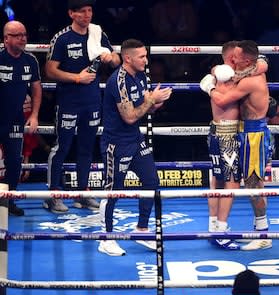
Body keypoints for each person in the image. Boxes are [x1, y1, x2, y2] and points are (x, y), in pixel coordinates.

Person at [44, 0, 121, 213]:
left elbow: (116, 59)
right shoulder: (62, 38)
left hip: (92, 101)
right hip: (68, 101)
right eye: (82, 11)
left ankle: (82, 194)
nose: (87, 15)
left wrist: (110, 57)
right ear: (71, 14)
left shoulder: (97, 34)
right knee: (62, 147)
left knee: (87, 148)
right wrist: (76, 78)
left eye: (90, 11)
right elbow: (50, 71)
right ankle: (53, 195)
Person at [98, 39, 172, 256]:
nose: (146, 60)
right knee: (113, 191)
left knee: (151, 182)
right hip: (116, 143)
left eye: (145, 55)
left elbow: (144, 109)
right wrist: (151, 101)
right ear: (127, 58)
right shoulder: (117, 81)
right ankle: (106, 239)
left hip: (135, 139)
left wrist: (157, 102)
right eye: (141, 57)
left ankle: (141, 229)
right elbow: (130, 116)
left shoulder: (140, 76)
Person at [202, 40, 272, 251]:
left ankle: (263, 233)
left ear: (247, 61)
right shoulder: (245, 72)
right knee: (238, 182)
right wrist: (216, 70)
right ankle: (222, 229)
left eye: (238, 59)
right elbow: (234, 70)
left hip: (254, 135)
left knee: (253, 184)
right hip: (242, 132)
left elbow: (223, 100)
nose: (234, 61)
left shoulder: (251, 78)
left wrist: (210, 87)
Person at [0, 20, 41, 216]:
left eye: (24, 34)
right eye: (17, 35)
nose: (23, 38)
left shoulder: (30, 60)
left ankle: (9, 201)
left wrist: (34, 115)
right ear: (6, 39)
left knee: (15, 163)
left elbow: (36, 88)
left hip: (15, 119)